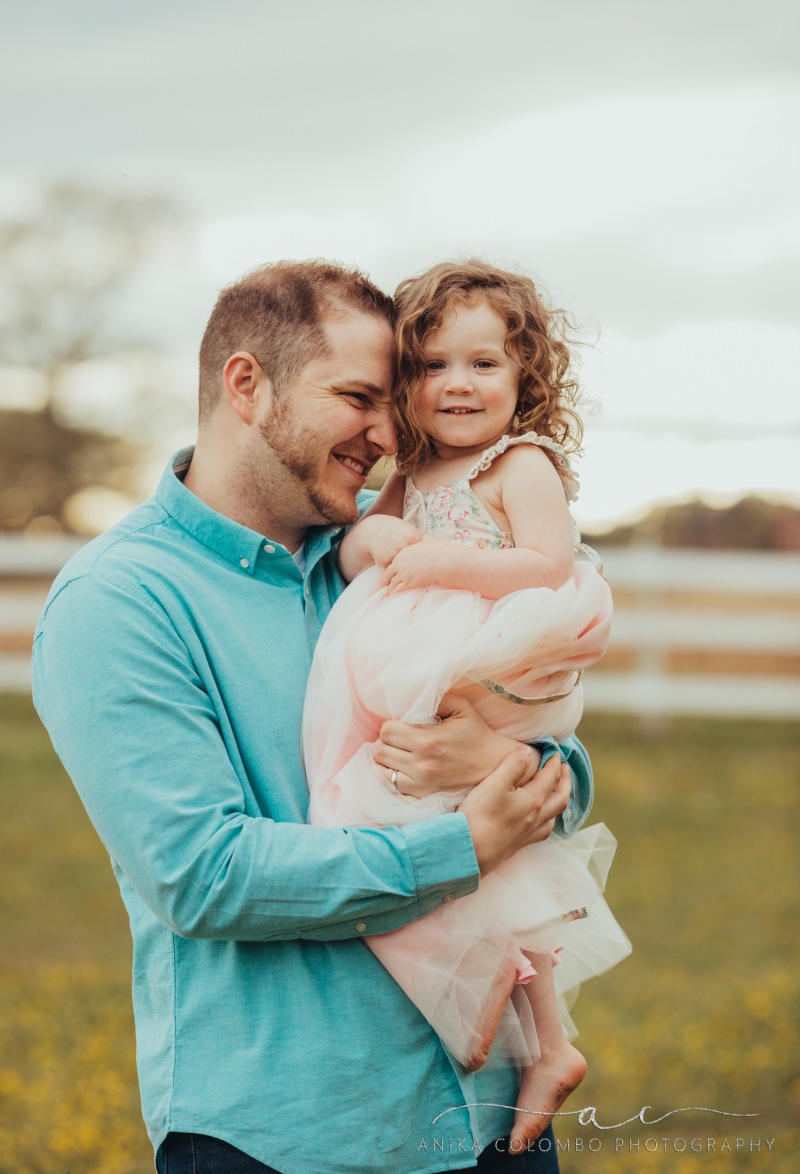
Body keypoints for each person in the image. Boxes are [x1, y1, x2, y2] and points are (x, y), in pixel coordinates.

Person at [32, 259, 588, 1174]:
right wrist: (462, 846)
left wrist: (496, 760)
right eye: (361, 397)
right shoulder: (119, 601)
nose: (391, 431)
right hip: (295, 1135)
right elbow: (205, 876)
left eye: (393, 401)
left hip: (495, 1115)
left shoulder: (403, 549)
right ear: (247, 385)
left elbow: (565, 763)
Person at [303, 261, 630, 1150]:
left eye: (483, 364)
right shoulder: (414, 467)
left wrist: (445, 563)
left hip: (498, 659)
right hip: (425, 664)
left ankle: (541, 1031)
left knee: (491, 826)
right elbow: (355, 548)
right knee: (438, 827)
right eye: (432, 365)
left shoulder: (519, 463)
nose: (457, 384)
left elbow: (547, 565)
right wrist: (378, 533)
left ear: (526, 378)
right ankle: (529, 1026)